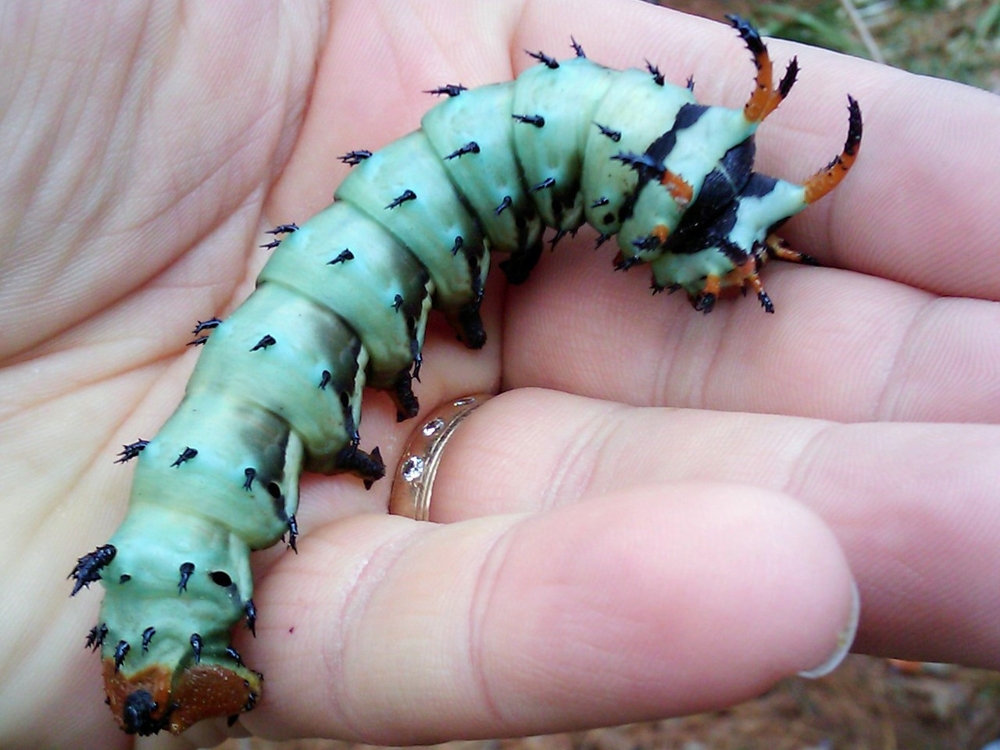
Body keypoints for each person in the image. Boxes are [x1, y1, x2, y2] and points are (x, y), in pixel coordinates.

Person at [1, 1, 998, 748]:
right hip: (205, 496)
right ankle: (164, 634)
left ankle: (167, 629)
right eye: (698, 228)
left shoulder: (500, 182)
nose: (715, 269)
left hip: (254, 414)